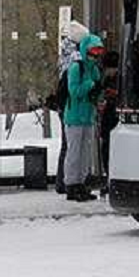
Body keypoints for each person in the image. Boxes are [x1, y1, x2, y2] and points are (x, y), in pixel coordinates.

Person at [63, 32, 104, 202]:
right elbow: (74, 92)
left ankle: (81, 182)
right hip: (74, 117)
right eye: (93, 52)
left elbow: (97, 90)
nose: (95, 56)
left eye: (98, 53)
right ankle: (71, 184)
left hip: (88, 116)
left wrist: (98, 95)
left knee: (85, 152)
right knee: (74, 152)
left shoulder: (93, 69)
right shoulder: (76, 68)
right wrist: (90, 86)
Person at [51, 20, 88, 195]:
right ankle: (67, 181)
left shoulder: (66, 55)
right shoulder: (76, 59)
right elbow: (75, 87)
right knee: (71, 146)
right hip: (70, 107)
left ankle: (63, 180)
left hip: (65, 104)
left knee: (68, 145)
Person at [98, 49, 120, 176]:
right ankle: (108, 173)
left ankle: (110, 174)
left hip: (112, 118)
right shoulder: (107, 80)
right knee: (106, 149)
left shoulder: (116, 80)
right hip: (108, 119)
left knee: (109, 149)